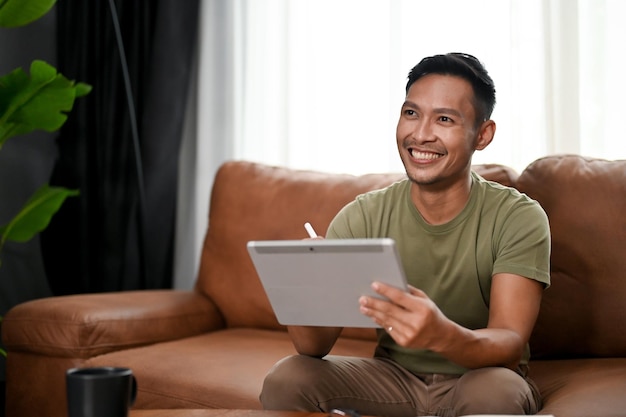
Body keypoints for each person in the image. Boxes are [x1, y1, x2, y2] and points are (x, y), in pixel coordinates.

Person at [259, 53, 550, 417]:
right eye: (411, 113)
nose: (421, 134)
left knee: (497, 393)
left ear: (483, 134)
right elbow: (312, 347)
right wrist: (307, 289)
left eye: (444, 119)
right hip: (391, 378)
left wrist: (442, 334)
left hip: (478, 378)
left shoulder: (518, 217)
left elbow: (508, 340)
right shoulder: (362, 215)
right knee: (288, 378)